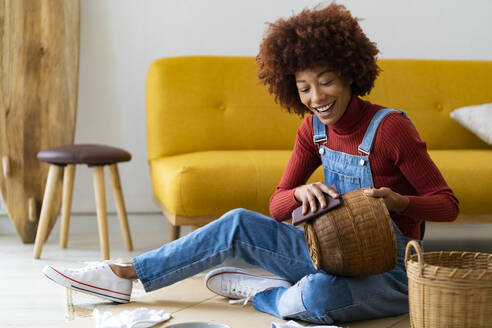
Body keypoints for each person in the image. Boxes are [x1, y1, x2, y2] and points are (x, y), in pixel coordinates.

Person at [42, 3, 459, 325]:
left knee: (316, 298)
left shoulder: (390, 129)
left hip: (393, 268)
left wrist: (401, 204)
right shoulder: (311, 131)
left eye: (326, 81)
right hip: (328, 253)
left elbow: (447, 204)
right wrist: (298, 193)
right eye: (304, 88)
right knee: (239, 222)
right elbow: (277, 204)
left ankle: (265, 292)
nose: (317, 97)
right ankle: (124, 274)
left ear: (351, 74)